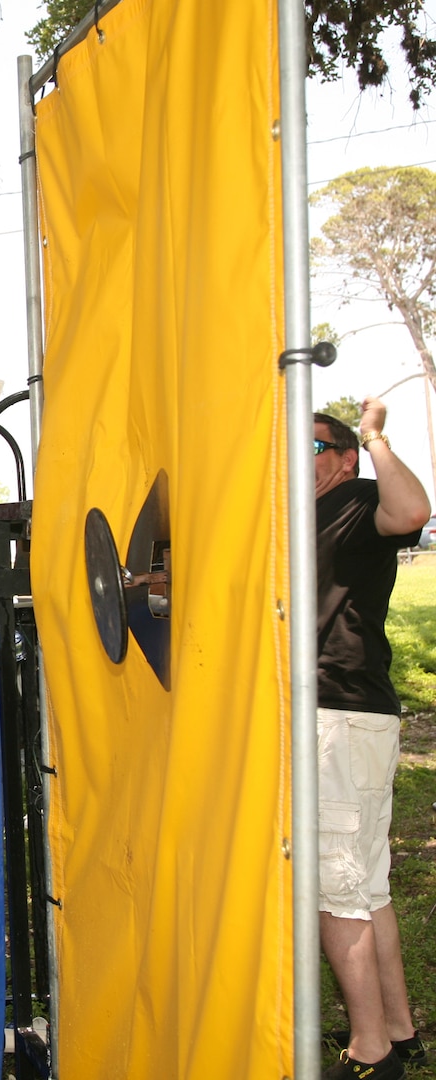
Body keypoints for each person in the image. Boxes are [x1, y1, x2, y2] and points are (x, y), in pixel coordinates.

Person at [314, 400, 429, 1080]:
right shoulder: (299, 514)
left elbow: (413, 511)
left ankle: (369, 1053)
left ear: (346, 458)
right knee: (370, 885)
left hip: (343, 718)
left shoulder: (359, 497)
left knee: (337, 888)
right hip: (350, 719)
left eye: (317, 445)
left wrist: (377, 436)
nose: (303, 457)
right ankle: (398, 1028)